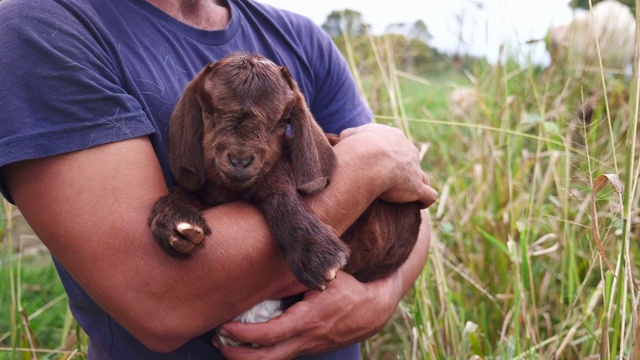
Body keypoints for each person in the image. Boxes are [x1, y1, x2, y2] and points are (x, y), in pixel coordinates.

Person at [0, 0, 438, 358]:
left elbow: (409, 203)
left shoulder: (300, 38)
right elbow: (160, 300)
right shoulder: (45, 29)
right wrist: (370, 164)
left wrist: (382, 296)